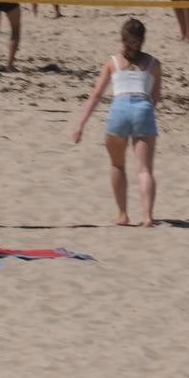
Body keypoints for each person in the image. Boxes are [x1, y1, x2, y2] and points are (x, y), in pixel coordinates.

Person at [71, 18, 163, 227]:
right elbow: (156, 97)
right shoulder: (153, 64)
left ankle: (123, 214)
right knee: (145, 170)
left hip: (119, 110)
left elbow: (96, 95)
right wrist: (145, 112)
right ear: (142, 40)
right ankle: (147, 216)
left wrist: (80, 125)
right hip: (143, 108)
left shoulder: (112, 62)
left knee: (117, 165)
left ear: (122, 39)